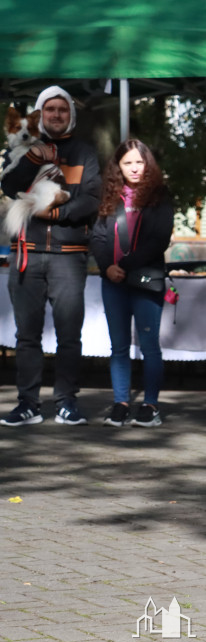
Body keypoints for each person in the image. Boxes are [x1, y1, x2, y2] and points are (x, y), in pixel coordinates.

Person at [0, 86, 100, 427]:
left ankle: (66, 403)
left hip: (68, 255)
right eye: (49, 109)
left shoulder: (84, 152)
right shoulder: (24, 150)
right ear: (40, 114)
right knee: (26, 336)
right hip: (26, 253)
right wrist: (33, 158)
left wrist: (57, 215)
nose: (56, 115)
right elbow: (8, 185)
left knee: (69, 335)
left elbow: (91, 199)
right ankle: (27, 403)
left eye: (62, 109)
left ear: (70, 113)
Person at [90, 139, 174, 427]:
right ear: (118, 167)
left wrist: (123, 265)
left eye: (139, 162)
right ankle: (120, 403)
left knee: (150, 346)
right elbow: (99, 237)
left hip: (146, 279)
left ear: (147, 163)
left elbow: (159, 239)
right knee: (119, 346)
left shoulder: (160, 195)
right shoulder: (110, 196)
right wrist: (107, 267)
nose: (134, 168)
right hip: (113, 281)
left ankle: (150, 405)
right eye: (128, 163)